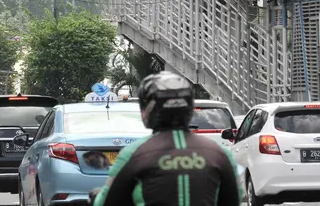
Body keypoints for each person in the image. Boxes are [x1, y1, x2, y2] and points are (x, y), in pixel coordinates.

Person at [91, 71, 242, 206]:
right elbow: (234, 199)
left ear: (148, 110)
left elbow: (106, 202)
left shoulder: (133, 154)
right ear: (189, 107)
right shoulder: (220, 154)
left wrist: (97, 196)